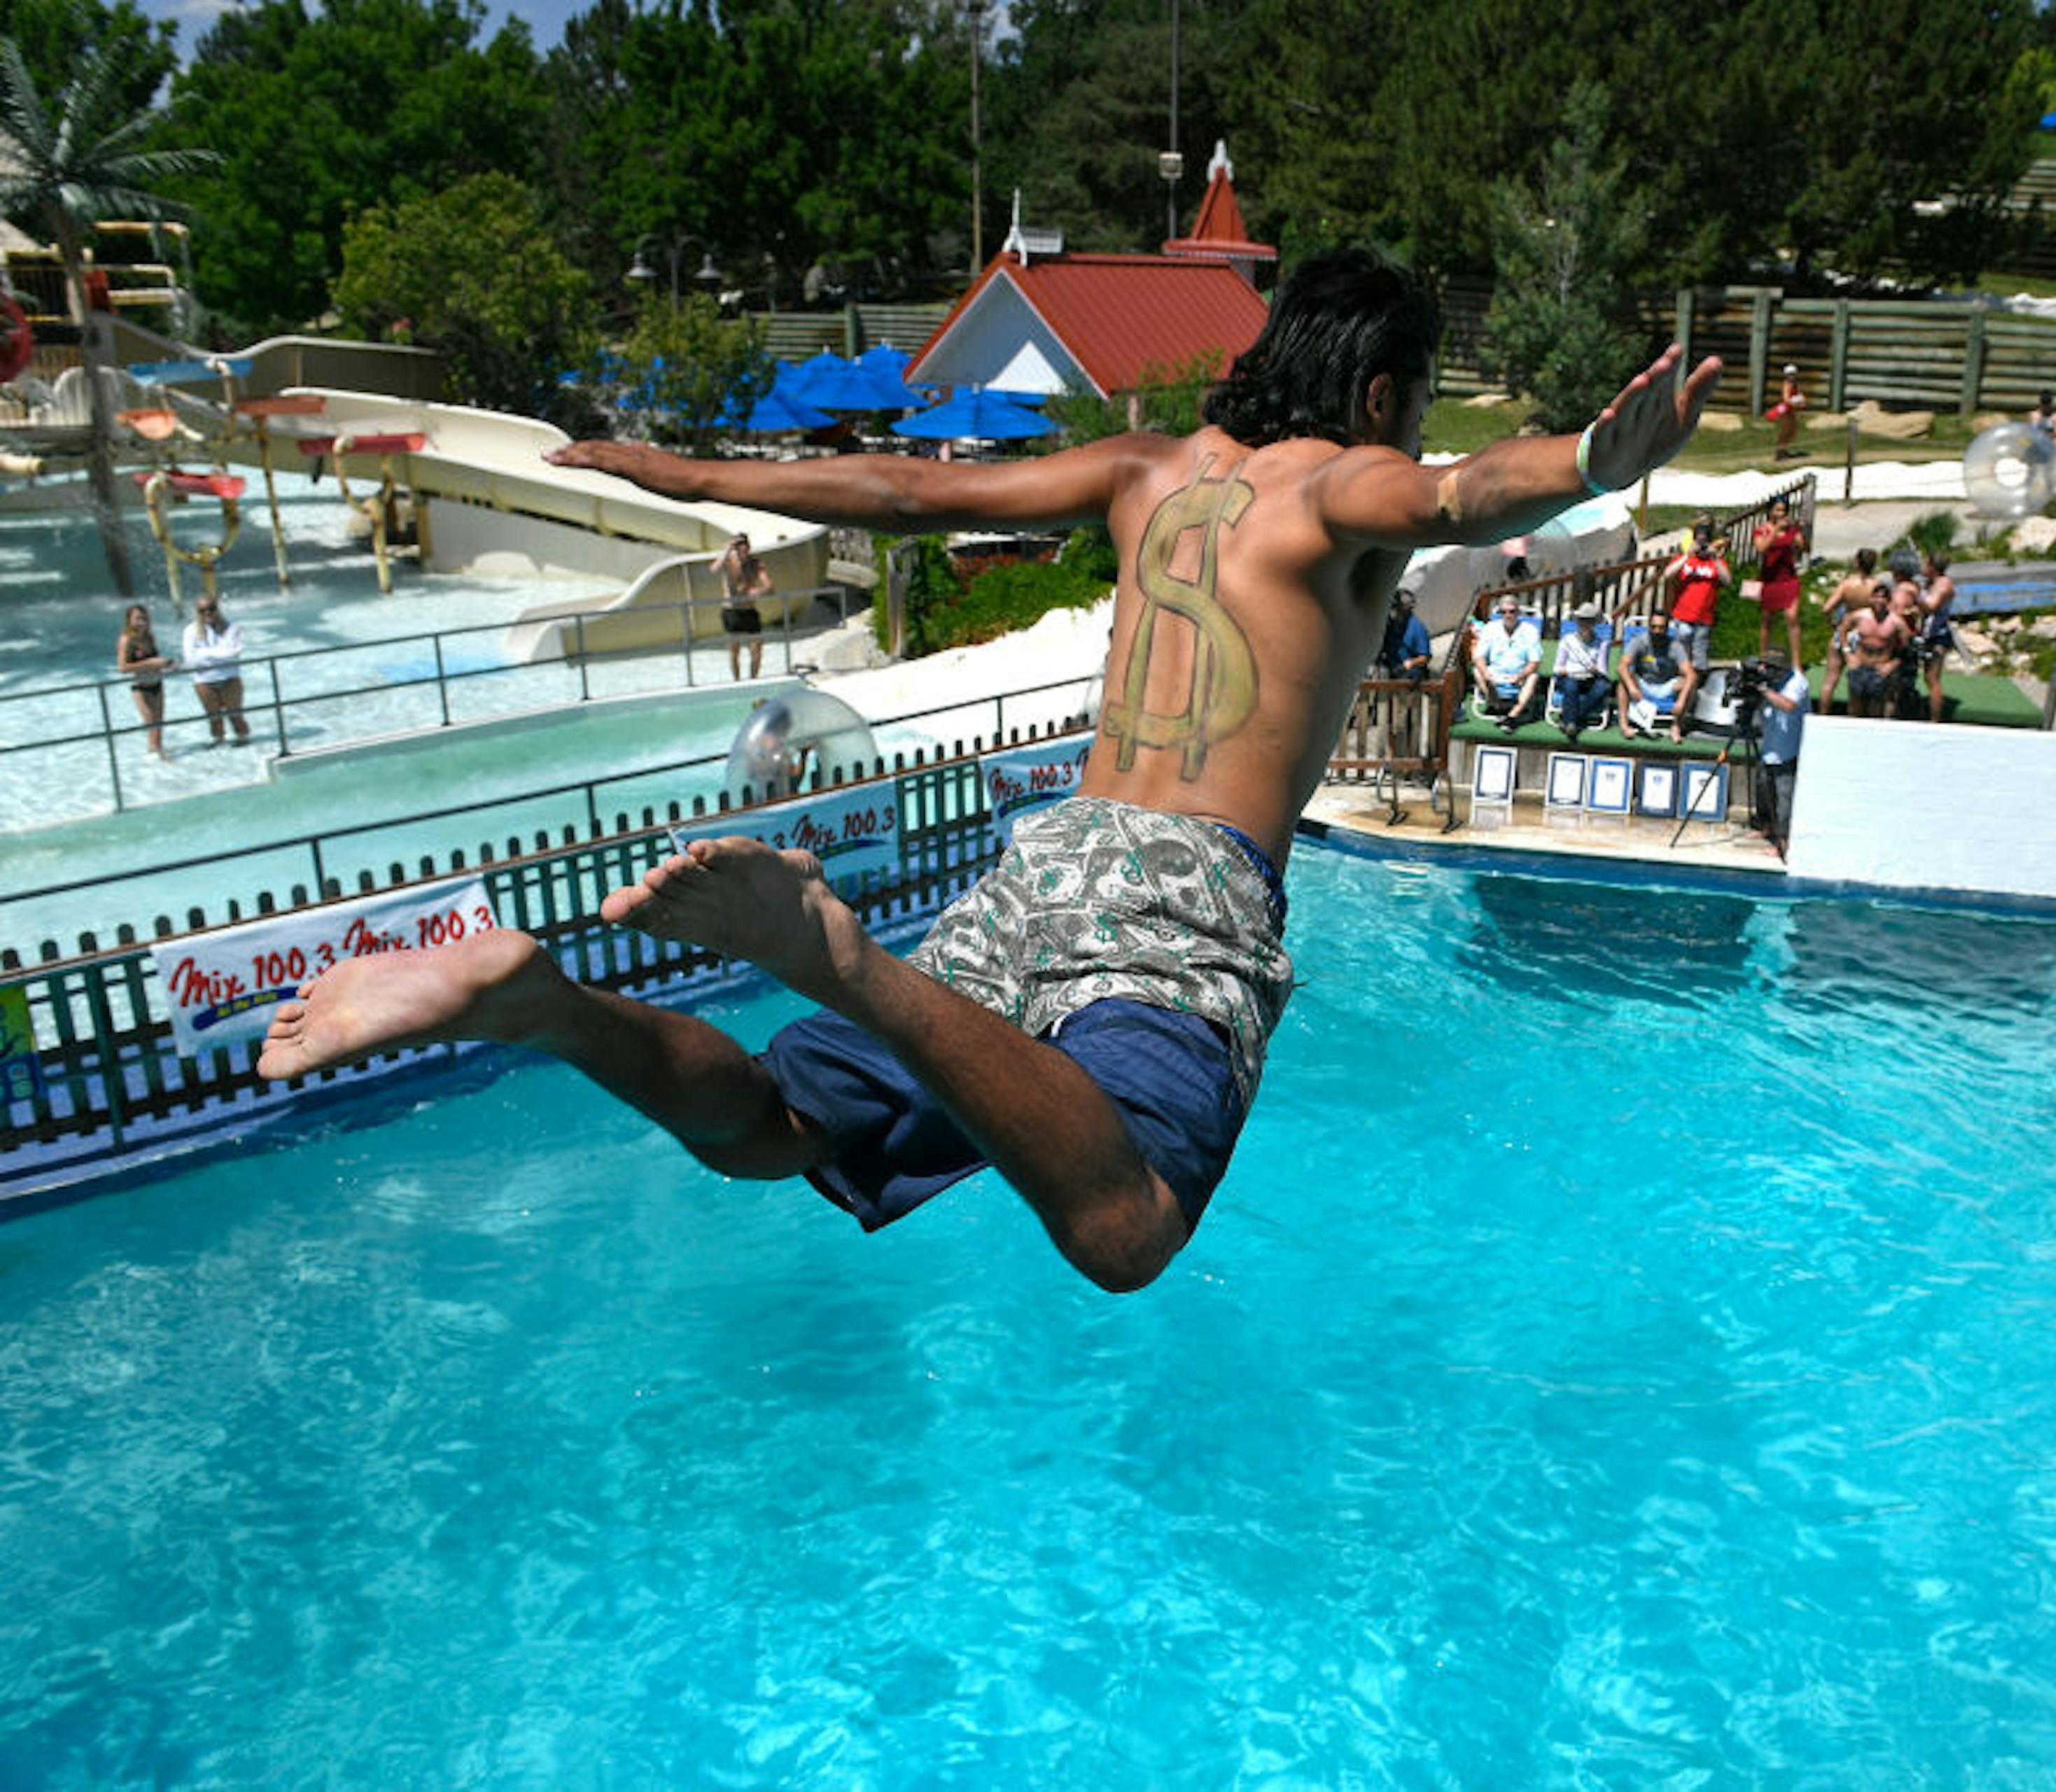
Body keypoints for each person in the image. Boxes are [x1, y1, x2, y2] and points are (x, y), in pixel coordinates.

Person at [253, 247, 1721, 1293]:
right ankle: (836, 954)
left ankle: (543, 1002)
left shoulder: (1147, 464)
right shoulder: (1347, 484)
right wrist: (1599, 457)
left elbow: (904, 488)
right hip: (1185, 892)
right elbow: (1465, 494)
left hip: (1048, 858)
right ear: (1383, 389)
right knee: (1129, 1224)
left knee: (776, 1131)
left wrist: (685, 473)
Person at [1660, 514, 1728, 723]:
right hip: (1683, 617)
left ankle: (1687, 708)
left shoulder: (1714, 561)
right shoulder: (1686, 558)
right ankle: (1678, 709)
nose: (1702, 541)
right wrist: (1687, 556)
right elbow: (1667, 575)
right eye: (1699, 537)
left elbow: (1727, 580)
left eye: (1706, 537)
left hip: (1704, 620)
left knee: (1697, 666)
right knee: (1683, 664)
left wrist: (1715, 558)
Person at [1742, 658, 1809, 858]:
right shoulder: (1770, 683)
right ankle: (1766, 827)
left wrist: (1764, 690)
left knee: (1784, 798)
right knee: (1764, 789)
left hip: (1789, 751)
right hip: (1769, 748)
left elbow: (1788, 705)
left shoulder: (1797, 682)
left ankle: (1784, 842)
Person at [181, 593, 252, 745]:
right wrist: (220, 654)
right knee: (214, 719)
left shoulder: (232, 628)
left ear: (217, 609)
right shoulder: (190, 631)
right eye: (202, 610)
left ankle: (244, 741)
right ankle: (219, 745)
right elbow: (190, 660)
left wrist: (203, 654)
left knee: (236, 717)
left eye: (211, 609)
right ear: (197, 612)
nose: (208, 613)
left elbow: (234, 653)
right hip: (204, 681)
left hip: (229, 679)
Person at [1470, 593, 1544, 730]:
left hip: (1519, 674)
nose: (1508, 615)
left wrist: (1521, 676)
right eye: (1503, 612)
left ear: (1519, 613)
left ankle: (1513, 715)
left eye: (1512, 612)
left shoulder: (1530, 631)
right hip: (1495, 674)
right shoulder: (1490, 628)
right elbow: (1479, 656)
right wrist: (1486, 673)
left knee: (1533, 676)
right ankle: (1497, 705)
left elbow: (1535, 661)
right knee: (1477, 671)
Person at [1819, 549, 1875, 716]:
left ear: (1857, 563)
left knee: (1830, 680)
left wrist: (1834, 624)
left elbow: (1827, 608)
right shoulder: (1876, 586)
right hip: (1862, 634)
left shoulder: (1847, 585)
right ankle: (1854, 718)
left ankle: (1823, 714)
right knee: (1857, 682)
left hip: (1844, 630)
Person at [1752, 498, 1805, 664]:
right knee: (1767, 620)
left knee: (1792, 617)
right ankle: (1763, 657)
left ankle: (1797, 662)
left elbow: (1802, 547)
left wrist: (1797, 531)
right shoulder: (1762, 530)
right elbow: (1761, 548)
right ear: (1770, 511)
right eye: (1778, 510)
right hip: (1770, 579)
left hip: (1789, 579)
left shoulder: (1790, 530)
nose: (1781, 514)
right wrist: (1775, 531)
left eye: (1784, 510)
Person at [1845, 582, 1910, 719]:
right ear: (1870, 599)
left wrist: (1892, 664)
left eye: (1883, 598)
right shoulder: (1859, 616)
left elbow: (1908, 648)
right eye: (1876, 597)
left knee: (1876, 710)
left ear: (1889, 601)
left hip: (1880, 669)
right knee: (1855, 707)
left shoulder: (1897, 622)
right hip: (1860, 665)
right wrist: (1848, 653)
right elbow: (1842, 629)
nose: (1879, 601)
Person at [1551, 600, 1613, 742]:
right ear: (1578, 622)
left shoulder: (1602, 644)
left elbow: (1603, 670)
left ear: (1595, 623)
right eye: (1583, 621)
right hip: (1569, 678)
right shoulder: (1567, 641)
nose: (1586, 624)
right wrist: (1571, 671)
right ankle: (1573, 723)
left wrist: (1595, 670)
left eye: (1590, 621)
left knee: (1602, 687)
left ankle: (1569, 718)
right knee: (1571, 685)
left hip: (1590, 679)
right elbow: (1558, 667)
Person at [1619, 609, 1687, 740]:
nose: (1657, 631)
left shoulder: (1674, 645)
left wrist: (1682, 700)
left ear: (1667, 629)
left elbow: (1690, 673)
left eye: (1661, 628)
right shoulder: (1640, 641)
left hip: (1666, 685)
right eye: (1654, 627)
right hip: (1643, 684)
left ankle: (1676, 726)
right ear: (1649, 626)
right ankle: (1624, 725)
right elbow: (1622, 666)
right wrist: (1632, 688)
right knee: (1624, 681)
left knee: (1689, 682)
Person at [114, 602, 171, 759]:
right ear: (129, 620)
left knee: (159, 725)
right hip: (141, 687)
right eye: (138, 619)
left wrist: (165, 664)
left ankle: (159, 754)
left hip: (157, 683)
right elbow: (122, 668)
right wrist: (150, 664)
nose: (142, 622)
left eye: (144, 618)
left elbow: (155, 660)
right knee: (151, 724)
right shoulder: (126, 640)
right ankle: (156, 757)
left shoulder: (149, 637)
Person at [718, 533, 775, 680]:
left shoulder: (755, 564)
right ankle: (737, 680)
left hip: (749, 611)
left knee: (757, 650)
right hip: (732, 611)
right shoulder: (728, 562)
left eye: (744, 545)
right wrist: (727, 550)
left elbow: (770, 587)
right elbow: (714, 569)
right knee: (734, 651)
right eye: (738, 545)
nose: (742, 548)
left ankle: (753, 679)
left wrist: (759, 591)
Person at [1915, 550, 1958, 724]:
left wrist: (1915, 595)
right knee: (1927, 677)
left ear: (1933, 567)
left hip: (1938, 636)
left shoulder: (1943, 585)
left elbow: (1932, 605)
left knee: (1933, 679)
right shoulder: (1931, 583)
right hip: (1928, 634)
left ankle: (1935, 720)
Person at [1375, 587, 1432, 681]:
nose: (1393, 613)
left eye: (1396, 609)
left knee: (1411, 675)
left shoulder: (1417, 627)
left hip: (1409, 671)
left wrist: (1410, 663)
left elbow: (1425, 658)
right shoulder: (1390, 626)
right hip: (1392, 667)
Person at [1768, 363, 1807, 459]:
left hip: (1791, 409)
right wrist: (1796, 402)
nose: (1792, 376)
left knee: (1792, 431)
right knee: (1786, 431)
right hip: (1786, 410)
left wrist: (1801, 401)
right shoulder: (1787, 385)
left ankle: (1784, 450)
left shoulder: (1795, 385)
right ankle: (1780, 452)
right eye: (1790, 374)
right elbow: (1786, 399)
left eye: (1793, 374)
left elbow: (1798, 395)